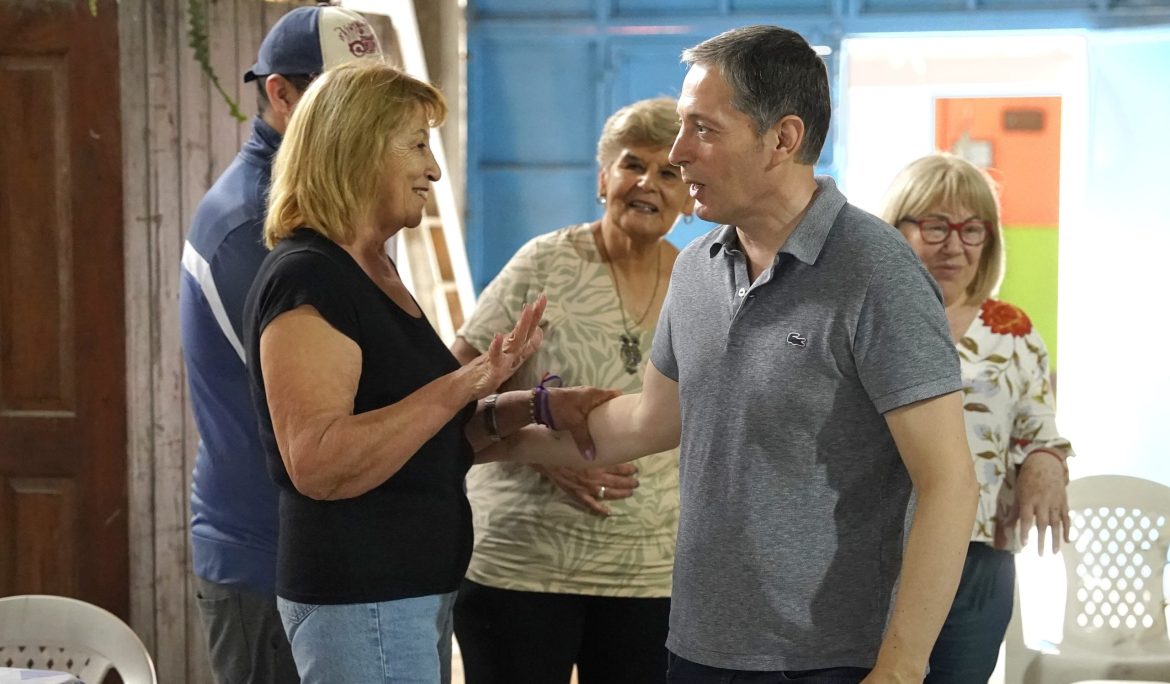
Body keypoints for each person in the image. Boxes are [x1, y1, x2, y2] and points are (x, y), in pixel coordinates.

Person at [488, 25, 979, 683]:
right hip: (698, 648)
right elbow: (646, 422)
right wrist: (483, 436)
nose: (679, 152)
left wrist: (899, 668)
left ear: (782, 138)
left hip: (828, 662)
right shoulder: (697, 269)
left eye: (703, 129)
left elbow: (950, 482)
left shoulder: (875, 272)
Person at [241, 60, 614, 684]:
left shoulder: (373, 271)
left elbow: (430, 441)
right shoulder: (309, 275)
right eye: (417, 145)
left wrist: (534, 405)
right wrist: (467, 381)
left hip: (406, 596)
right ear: (356, 149)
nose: (434, 169)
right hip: (363, 599)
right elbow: (320, 462)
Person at [451, 97, 693, 684]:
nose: (647, 183)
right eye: (632, 164)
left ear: (691, 194)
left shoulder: (699, 279)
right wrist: (546, 455)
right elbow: (451, 392)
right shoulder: (544, 264)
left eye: (669, 172)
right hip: (523, 563)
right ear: (603, 177)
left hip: (651, 573)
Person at [178, 5, 382, 682]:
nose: (366, 124)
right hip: (267, 553)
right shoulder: (257, 227)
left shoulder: (322, 204)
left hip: (315, 546)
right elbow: (357, 396)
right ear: (280, 94)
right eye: (340, 101)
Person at [878, 153, 1074, 683]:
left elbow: (1040, 427)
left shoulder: (1012, 329)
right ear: (896, 228)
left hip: (980, 556)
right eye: (936, 225)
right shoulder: (870, 320)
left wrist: (1044, 461)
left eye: (972, 229)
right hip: (879, 551)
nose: (954, 245)